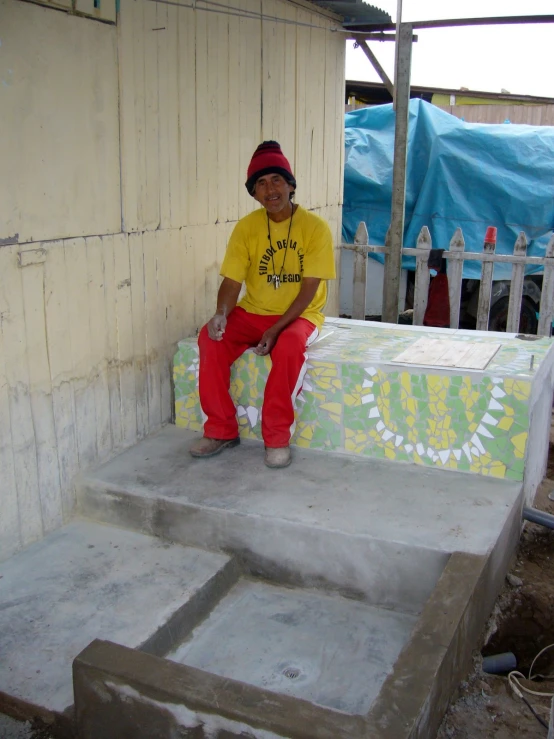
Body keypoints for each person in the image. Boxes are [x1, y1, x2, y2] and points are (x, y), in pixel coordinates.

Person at [189, 141, 336, 468]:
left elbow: (309, 291)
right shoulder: (247, 227)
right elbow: (231, 281)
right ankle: (221, 429)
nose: (270, 189)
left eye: (276, 180)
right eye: (261, 184)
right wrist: (221, 314)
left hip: (298, 316)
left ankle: (276, 437)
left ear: (291, 185)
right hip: (253, 312)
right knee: (210, 338)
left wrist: (276, 328)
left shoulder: (315, 228)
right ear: (253, 193)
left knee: (288, 348)